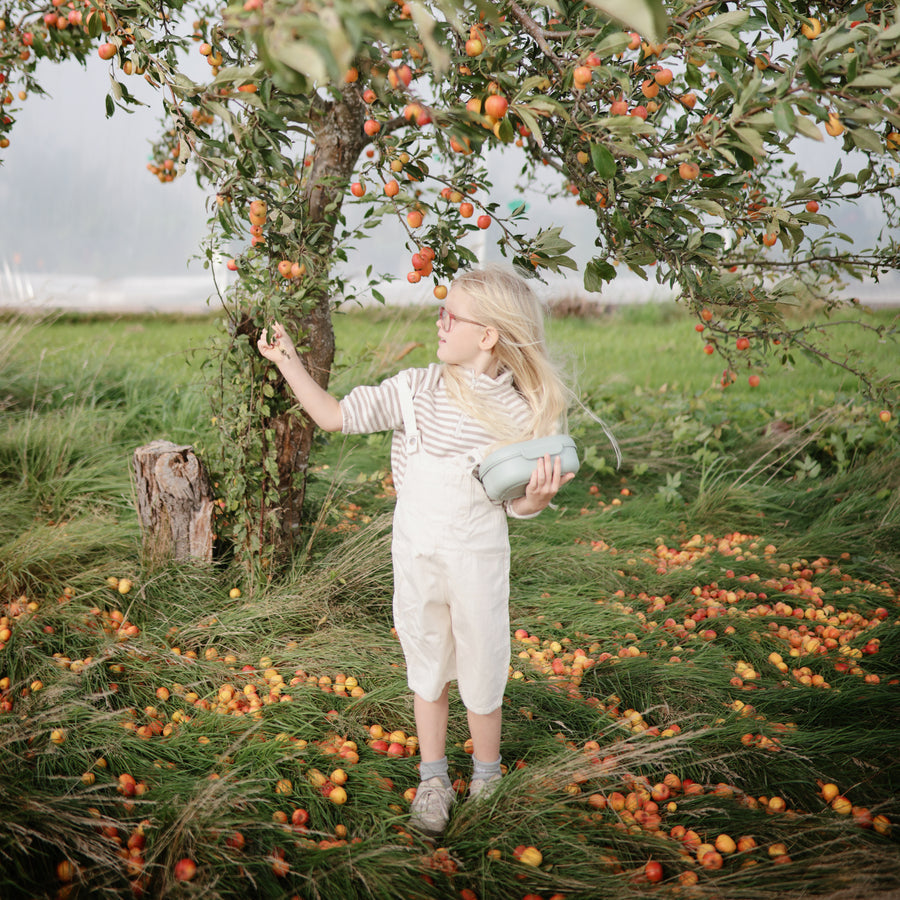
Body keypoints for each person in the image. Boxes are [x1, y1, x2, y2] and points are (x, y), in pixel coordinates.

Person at [257, 264, 576, 837]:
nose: (440, 318)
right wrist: (287, 362)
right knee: (428, 662)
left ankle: (486, 775)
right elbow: (335, 415)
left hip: (479, 562)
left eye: (452, 314)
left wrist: (540, 498)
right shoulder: (416, 390)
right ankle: (433, 778)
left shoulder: (522, 414)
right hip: (419, 558)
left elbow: (516, 506)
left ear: (487, 336)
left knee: (482, 663)